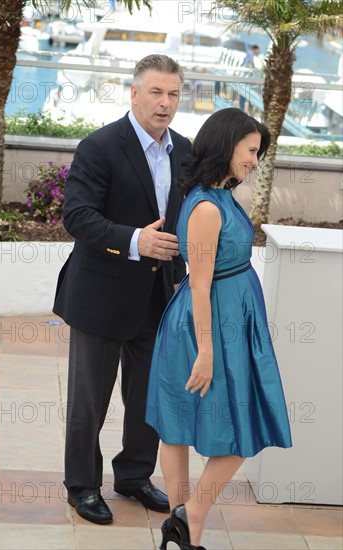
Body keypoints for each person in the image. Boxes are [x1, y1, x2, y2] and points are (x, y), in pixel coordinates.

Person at [53, 54, 191, 525]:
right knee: (89, 399)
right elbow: (78, 216)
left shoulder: (185, 151)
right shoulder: (100, 146)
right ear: (134, 93)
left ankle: (134, 475)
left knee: (150, 396)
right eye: (156, 92)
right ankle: (83, 486)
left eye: (173, 93)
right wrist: (136, 240)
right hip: (101, 295)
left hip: (160, 298)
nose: (165, 102)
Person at [146, 107, 292, 550]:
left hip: (228, 322)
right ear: (228, 146)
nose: (254, 161)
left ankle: (185, 525)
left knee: (192, 422)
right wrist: (206, 350)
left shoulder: (220, 194)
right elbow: (202, 283)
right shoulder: (208, 207)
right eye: (251, 151)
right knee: (220, 425)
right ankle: (188, 520)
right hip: (206, 327)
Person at [239, 44, 260, 112]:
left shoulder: (250, 54)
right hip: (247, 77)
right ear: (255, 49)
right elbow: (247, 64)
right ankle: (242, 110)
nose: (257, 52)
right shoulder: (250, 54)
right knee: (244, 93)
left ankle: (242, 109)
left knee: (244, 94)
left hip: (246, 77)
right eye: (257, 50)